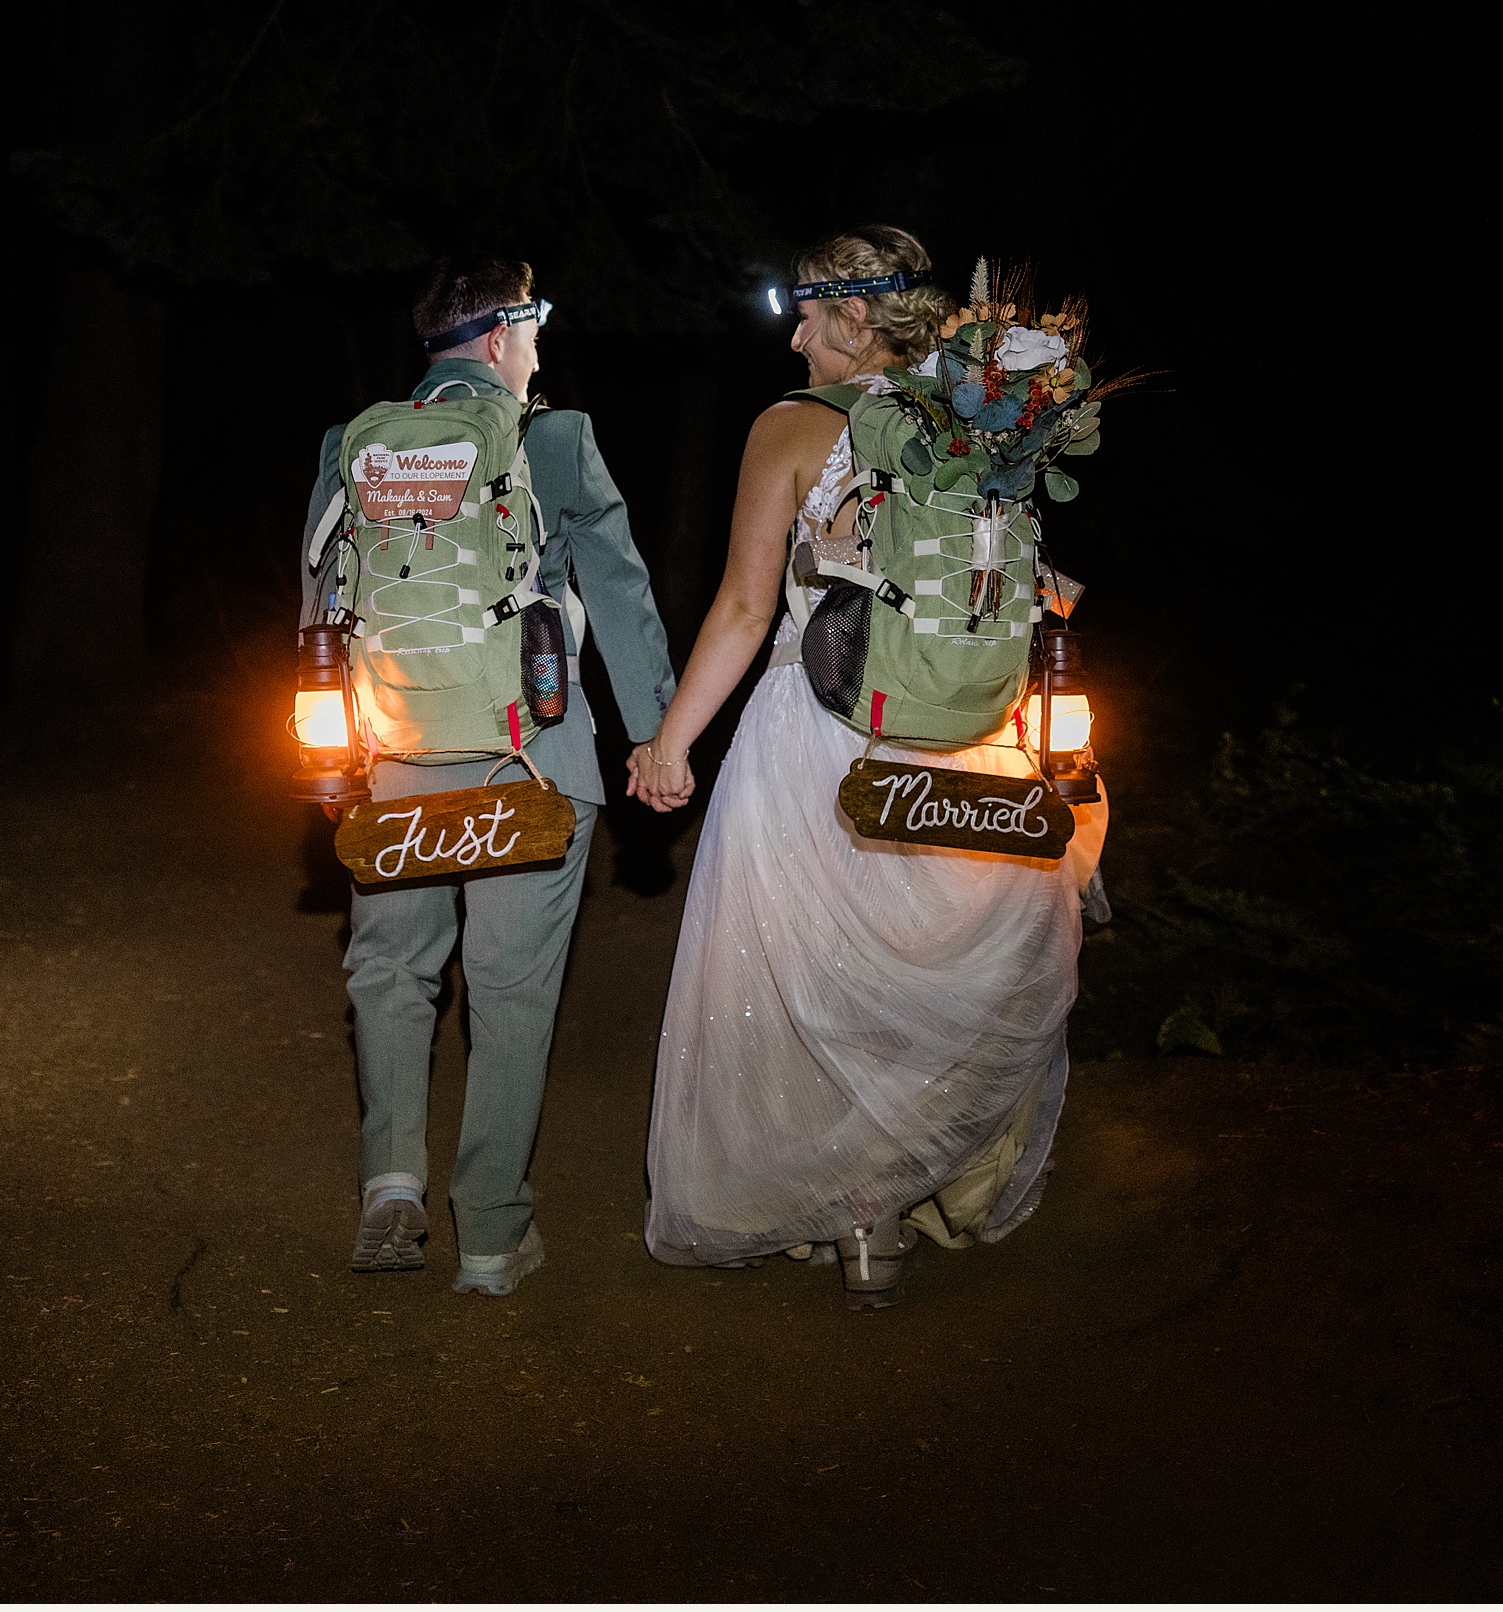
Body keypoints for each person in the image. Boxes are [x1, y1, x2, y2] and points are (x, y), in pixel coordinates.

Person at [627, 225, 1107, 1309]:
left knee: (822, 983)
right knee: (919, 977)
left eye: (803, 310)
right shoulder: (988, 426)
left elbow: (749, 606)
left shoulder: (791, 426)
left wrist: (670, 743)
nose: (790, 333)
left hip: (824, 727)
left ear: (852, 320)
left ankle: (856, 1215)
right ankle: (914, 1187)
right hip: (964, 731)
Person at [302, 256, 677, 1295]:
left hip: (395, 755)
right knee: (509, 995)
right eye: (538, 319)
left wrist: (330, 756)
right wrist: (656, 735)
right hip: (533, 759)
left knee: (389, 969)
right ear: (503, 333)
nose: (542, 339)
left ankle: (390, 1177)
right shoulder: (554, 439)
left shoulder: (354, 444)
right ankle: (489, 1235)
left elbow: (320, 609)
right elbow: (620, 588)